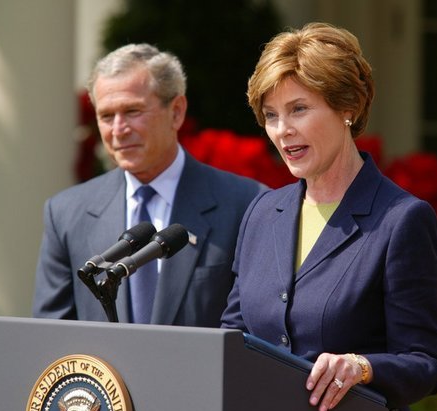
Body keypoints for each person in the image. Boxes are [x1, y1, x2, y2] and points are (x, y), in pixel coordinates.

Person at [220, 22, 437, 411]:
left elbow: (426, 363)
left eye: (299, 109)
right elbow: (233, 339)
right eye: (271, 115)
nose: (282, 129)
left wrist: (361, 368)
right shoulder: (262, 212)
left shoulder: (402, 219)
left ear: (348, 108)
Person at [33, 43, 264, 326]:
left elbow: (256, 331)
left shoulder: (246, 204)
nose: (118, 129)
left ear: (177, 112)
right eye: (106, 116)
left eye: (132, 111)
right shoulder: (66, 213)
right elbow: (52, 334)